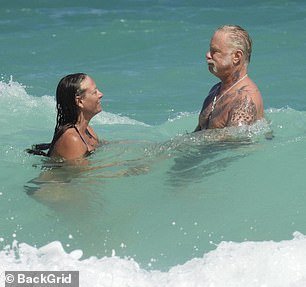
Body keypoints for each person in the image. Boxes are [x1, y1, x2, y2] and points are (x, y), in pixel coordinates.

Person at [194, 25, 264, 132]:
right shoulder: (216, 90)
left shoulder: (244, 100)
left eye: (214, 51)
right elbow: (198, 133)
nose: (208, 55)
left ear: (236, 57)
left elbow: (235, 143)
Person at [27, 73, 103, 161]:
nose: (101, 94)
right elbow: (84, 174)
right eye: (95, 92)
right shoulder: (72, 139)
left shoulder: (88, 130)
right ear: (80, 101)